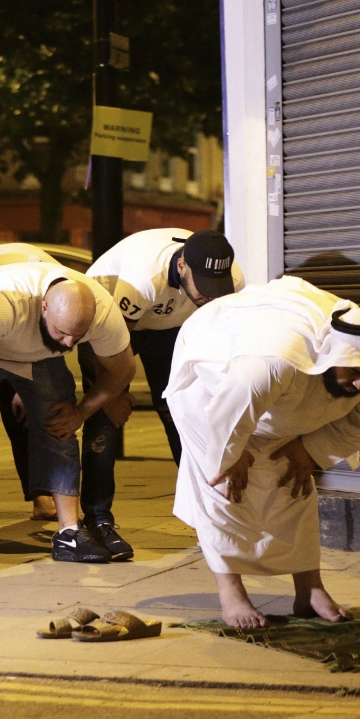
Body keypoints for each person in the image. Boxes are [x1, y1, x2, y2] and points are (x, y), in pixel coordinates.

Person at [165, 278, 360, 628]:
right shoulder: (271, 361)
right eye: (353, 372)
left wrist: (310, 448)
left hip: (276, 406)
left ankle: (309, 590)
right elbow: (227, 412)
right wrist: (233, 454)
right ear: (332, 356)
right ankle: (231, 593)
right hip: (210, 389)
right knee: (226, 488)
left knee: (295, 483)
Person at [0, 261, 135, 564]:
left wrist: (82, 413)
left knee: (61, 424)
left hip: (38, 352)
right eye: (63, 332)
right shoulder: (4, 303)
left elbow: (124, 369)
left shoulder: (101, 312)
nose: (70, 343)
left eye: (78, 335)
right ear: (44, 308)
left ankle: (69, 532)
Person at [79, 229, 244, 561]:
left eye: (218, 287)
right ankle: (97, 519)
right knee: (104, 422)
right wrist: (110, 393)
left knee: (184, 415)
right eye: (205, 286)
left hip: (167, 327)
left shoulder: (232, 277)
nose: (211, 296)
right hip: (105, 325)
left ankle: (208, 514)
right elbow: (109, 341)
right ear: (182, 265)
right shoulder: (144, 276)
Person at [0, 242, 63, 522]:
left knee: (23, 418)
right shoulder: (1, 291)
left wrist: (25, 386)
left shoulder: (58, 292)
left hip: (18, 330)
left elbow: (49, 340)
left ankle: (40, 497)